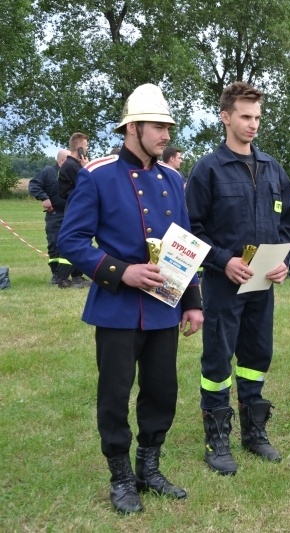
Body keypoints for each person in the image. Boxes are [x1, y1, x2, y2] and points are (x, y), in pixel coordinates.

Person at [57, 84, 203, 514]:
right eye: (158, 127)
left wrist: (193, 300)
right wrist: (123, 271)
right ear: (132, 127)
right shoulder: (98, 173)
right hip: (118, 306)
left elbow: (185, 244)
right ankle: (121, 477)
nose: (165, 135)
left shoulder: (173, 178)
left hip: (165, 305)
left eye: (168, 127)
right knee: (115, 393)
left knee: (161, 391)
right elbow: (72, 240)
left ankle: (150, 467)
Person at [185, 81, 290, 474]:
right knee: (218, 360)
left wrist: (286, 259)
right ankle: (217, 439)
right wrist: (221, 260)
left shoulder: (272, 168)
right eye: (246, 117)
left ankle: (254, 431)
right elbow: (191, 229)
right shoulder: (208, 170)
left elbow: (289, 224)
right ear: (226, 117)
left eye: (258, 117)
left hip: (262, 285)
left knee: (256, 356)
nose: (253, 124)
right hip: (222, 284)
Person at [54, 132, 91, 288]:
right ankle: (62, 278)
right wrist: (86, 168)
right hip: (75, 207)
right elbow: (86, 184)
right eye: (86, 145)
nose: (88, 148)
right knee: (72, 240)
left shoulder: (75, 165)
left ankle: (77, 275)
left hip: (81, 207)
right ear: (80, 147)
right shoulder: (71, 166)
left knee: (82, 241)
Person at [27, 149, 69, 284]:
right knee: (54, 244)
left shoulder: (74, 173)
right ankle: (57, 276)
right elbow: (33, 186)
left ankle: (76, 276)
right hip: (55, 215)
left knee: (74, 244)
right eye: (70, 160)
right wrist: (44, 198)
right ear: (61, 160)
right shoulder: (48, 172)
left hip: (72, 215)